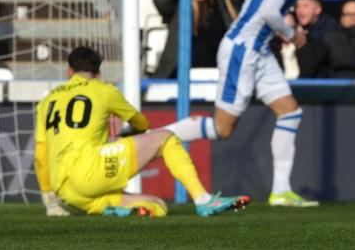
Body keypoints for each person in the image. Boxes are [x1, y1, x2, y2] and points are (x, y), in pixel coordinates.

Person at [163, 0, 330, 207]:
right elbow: (267, 10)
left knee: (290, 112)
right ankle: (157, 135)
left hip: (258, 49)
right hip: (243, 50)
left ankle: (280, 192)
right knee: (223, 129)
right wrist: (291, 34)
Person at [34, 46, 247, 217]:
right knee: (166, 139)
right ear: (98, 73)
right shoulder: (104, 90)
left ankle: (116, 210)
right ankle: (203, 200)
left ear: (69, 71)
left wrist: (50, 200)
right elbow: (142, 123)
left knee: (158, 206)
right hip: (90, 170)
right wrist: (132, 131)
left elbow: (40, 157)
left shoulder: (47, 101)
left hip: (68, 192)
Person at [152, 0, 237, 78]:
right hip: (179, 75)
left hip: (217, 75)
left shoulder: (223, 5)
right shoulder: (179, 8)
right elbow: (160, 0)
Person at [292, 0, 337, 77]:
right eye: (297, 6)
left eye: (305, 6)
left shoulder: (331, 29)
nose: (300, 10)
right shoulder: (294, 27)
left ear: (317, 10)